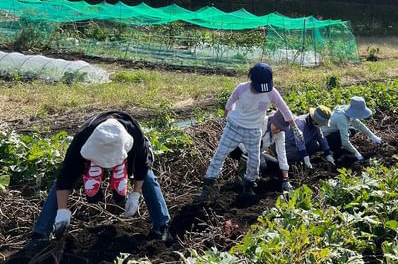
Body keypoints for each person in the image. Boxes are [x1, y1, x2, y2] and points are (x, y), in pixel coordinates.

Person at [29, 111, 171, 246]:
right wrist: (62, 211)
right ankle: (40, 234)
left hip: (124, 151)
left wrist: (135, 195)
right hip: (92, 152)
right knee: (60, 185)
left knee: (148, 177)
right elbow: (64, 179)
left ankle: (162, 226)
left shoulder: (135, 136)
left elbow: (142, 167)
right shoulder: (81, 141)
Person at [198, 63, 299, 200]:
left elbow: (284, 109)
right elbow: (229, 104)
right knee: (219, 154)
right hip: (234, 127)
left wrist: (294, 127)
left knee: (254, 160)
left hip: (253, 130)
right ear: (252, 80)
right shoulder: (242, 88)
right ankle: (208, 186)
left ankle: (249, 185)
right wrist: (225, 119)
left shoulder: (271, 92)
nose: (261, 90)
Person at [244, 106, 336, 191]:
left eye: (281, 129)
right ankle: (246, 181)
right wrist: (305, 158)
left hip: (262, 150)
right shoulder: (259, 126)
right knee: (259, 164)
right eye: (278, 127)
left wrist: (286, 179)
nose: (279, 131)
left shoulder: (280, 133)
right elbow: (300, 144)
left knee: (278, 168)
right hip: (246, 149)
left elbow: (282, 153)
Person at [323, 96, 382, 162]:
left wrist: (373, 136)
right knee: (345, 135)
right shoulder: (341, 118)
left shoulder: (346, 110)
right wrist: (357, 154)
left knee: (352, 131)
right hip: (324, 138)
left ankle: (336, 146)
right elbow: (345, 142)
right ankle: (331, 149)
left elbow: (358, 125)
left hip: (332, 133)